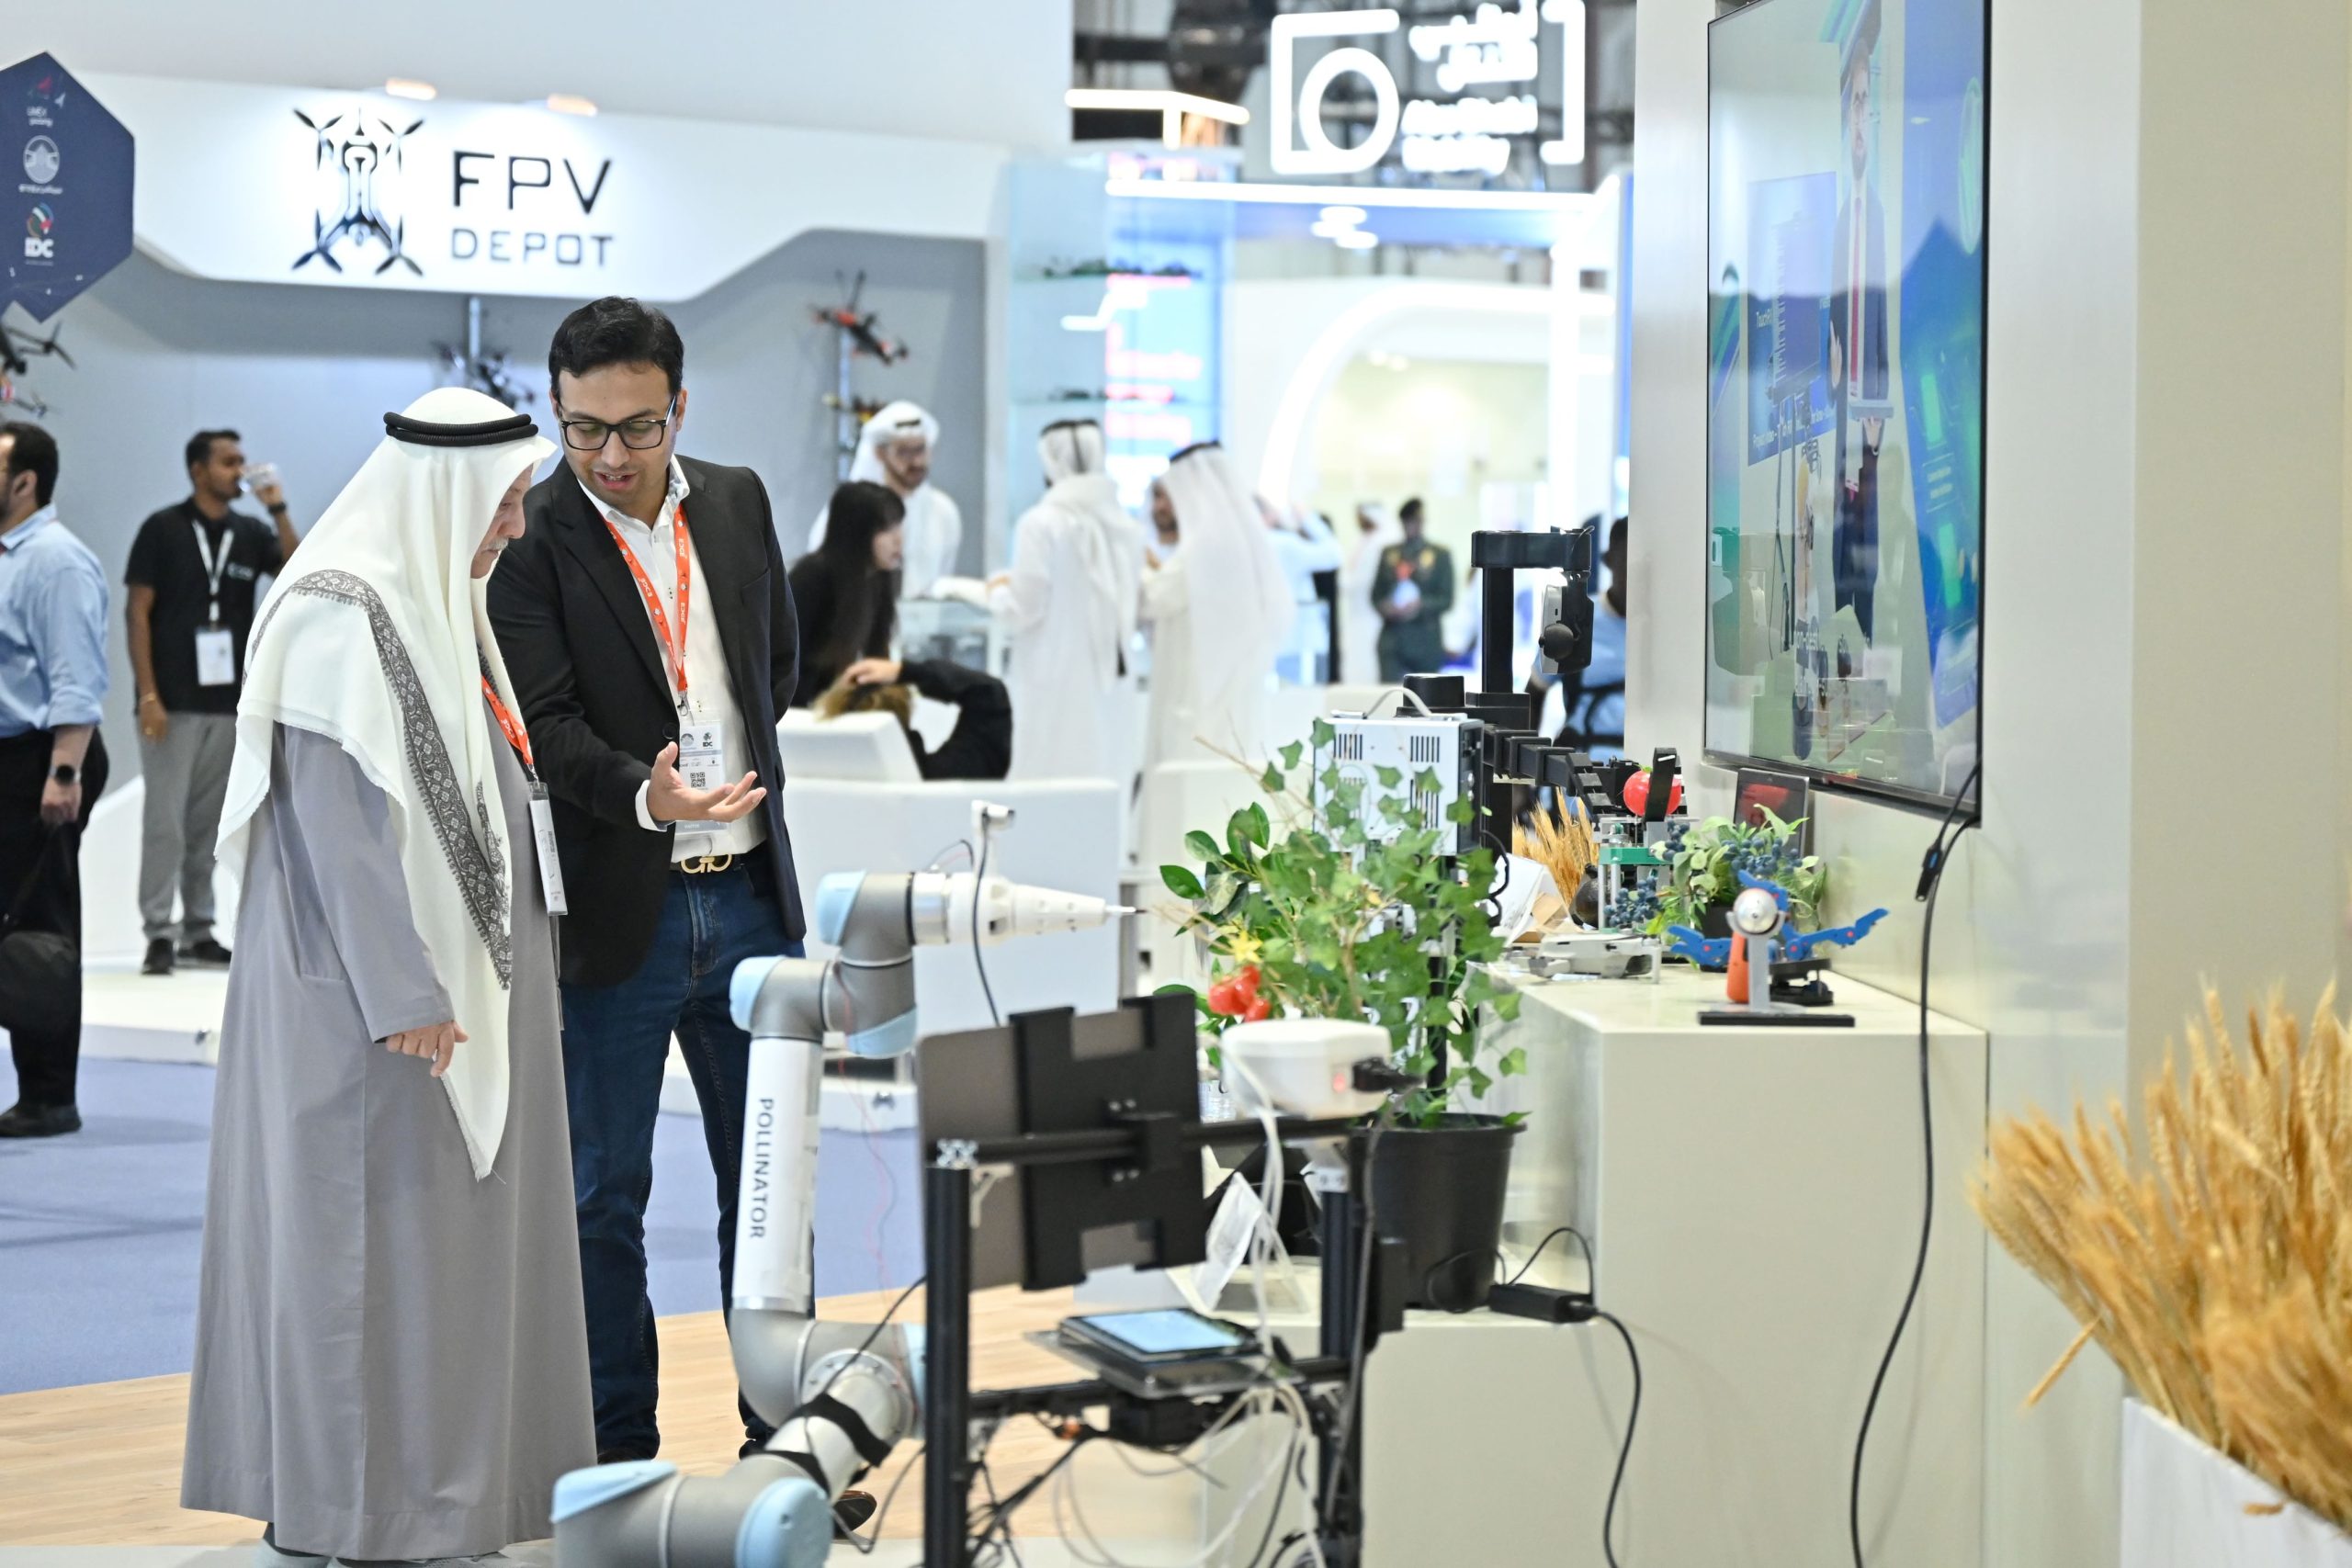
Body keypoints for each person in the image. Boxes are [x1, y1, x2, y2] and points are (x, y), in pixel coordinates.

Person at [181, 389, 592, 1563]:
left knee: (441, 1263)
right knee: (367, 1255)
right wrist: (405, 991)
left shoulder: (431, 610)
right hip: (370, 1015)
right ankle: (366, 1509)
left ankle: (450, 1500)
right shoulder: (337, 615)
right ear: (443, 494)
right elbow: (339, 828)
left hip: (446, 999)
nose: (513, 527)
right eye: (504, 502)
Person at [485, 297, 816, 1476]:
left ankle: (780, 1447)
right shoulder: (530, 537)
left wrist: (719, 786)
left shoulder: (736, 500)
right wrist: (646, 794)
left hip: (751, 901)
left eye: (637, 427)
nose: (610, 456)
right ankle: (620, 1460)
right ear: (555, 411)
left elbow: (774, 666)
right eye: (582, 429)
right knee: (601, 1197)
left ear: (680, 408)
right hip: (618, 911)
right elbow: (544, 725)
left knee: (769, 1192)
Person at [124, 430, 301, 977]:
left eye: (241, 460)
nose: (239, 470)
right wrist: (147, 695)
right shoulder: (162, 529)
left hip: (228, 702)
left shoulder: (250, 532)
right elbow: (137, 612)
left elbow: (298, 570)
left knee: (206, 824)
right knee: (165, 823)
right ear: (198, 470)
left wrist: (278, 509)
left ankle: (198, 929)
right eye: (228, 462)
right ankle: (158, 931)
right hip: (170, 702)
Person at [0, 423, 108, 1140]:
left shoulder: (56, 561)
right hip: (13, 756)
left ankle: (48, 1095)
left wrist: (63, 772)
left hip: (45, 759)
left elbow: (76, 678)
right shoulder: (10, 556)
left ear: (25, 481)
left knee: (40, 928)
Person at [986, 419, 1139, 780]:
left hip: (1051, 678)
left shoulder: (1040, 523)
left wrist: (996, 591)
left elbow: (1024, 607)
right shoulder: (1125, 526)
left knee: (1047, 775)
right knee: (1104, 772)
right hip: (1110, 685)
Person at [1140, 442, 1292, 767]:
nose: (1163, 506)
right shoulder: (1235, 542)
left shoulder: (1204, 545)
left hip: (1197, 697)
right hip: (1231, 690)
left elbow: (1154, 599)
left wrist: (1137, 562)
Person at [808, 400, 962, 598]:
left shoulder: (944, 511)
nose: (916, 461)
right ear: (880, 453)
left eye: (920, 449)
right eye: (904, 452)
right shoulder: (854, 511)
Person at [790, 479, 902, 706]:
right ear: (857, 532)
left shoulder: (877, 577)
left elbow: (876, 656)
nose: (898, 540)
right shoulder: (812, 577)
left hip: (826, 703)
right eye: (885, 529)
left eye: (898, 526)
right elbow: (788, 658)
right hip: (796, 707)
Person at [821, 655, 1012, 781]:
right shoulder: (941, 778)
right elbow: (988, 692)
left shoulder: (814, 779)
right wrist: (906, 672)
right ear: (905, 709)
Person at [1258, 495, 1342, 685]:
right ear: (1267, 515)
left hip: (1263, 644)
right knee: (1302, 699)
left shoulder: (1244, 545)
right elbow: (1334, 554)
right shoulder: (1284, 543)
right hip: (1297, 642)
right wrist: (1307, 518)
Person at [1373, 496, 1455, 682]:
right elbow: (1375, 595)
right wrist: (1386, 607)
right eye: (1407, 521)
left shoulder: (1440, 555)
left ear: (1422, 521)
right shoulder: (1389, 554)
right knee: (1390, 693)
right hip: (1393, 639)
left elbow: (1446, 599)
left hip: (1425, 639)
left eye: (1416, 521)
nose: (1411, 526)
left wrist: (1420, 604)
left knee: (1426, 695)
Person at [1340, 502, 1401, 685]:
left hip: (1371, 610)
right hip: (1356, 610)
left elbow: (1363, 579)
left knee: (1368, 656)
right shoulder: (1363, 540)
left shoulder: (1382, 541)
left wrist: (1342, 582)